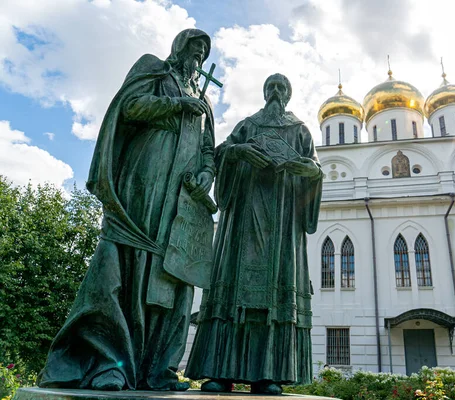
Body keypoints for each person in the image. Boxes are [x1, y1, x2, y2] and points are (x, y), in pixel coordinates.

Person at [37, 29, 216, 391]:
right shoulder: (155, 71)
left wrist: (206, 173)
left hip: (180, 199)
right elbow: (129, 107)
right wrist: (176, 105)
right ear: (180, 48)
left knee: (173, 275)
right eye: (194, 49)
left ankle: (158, 368)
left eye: (203, 52)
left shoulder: (203, 99)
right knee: (128, 262)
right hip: (144, 180)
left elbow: (208, 148)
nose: (199, 57)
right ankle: (108, 364)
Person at [185, 73, 324, 395]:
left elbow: (315, 168)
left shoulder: (299, 129)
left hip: (282, 220)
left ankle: (267, 375)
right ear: (264, 93)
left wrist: (304, 169)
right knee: (232, 293)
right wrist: (240, 152)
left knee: (273, 295)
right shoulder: (248, 125)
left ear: (288, 95)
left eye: (281, 88)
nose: (275, 93)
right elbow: (221, 153)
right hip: (243, 221)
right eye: (271, 87)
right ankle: (218, 371)